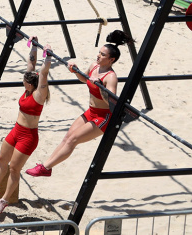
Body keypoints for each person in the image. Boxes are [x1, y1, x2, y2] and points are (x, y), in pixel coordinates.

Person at [26, 30, 133, 178]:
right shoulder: (94, 66)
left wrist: (101, 86)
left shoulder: (111, 77)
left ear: (111, 60)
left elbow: (111, 101)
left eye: (103, 55)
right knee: (67, 137)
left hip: (103, 117)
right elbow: (85, 78)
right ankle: (46, 167)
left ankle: (46, 167)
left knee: (72, 140)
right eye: (99, 52)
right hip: (91, 111)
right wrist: (74, 71)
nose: (98, 56)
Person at [0, 38, 53, 214]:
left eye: (24, 82)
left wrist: (48, 56)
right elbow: (31, 63)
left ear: (30, 84)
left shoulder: (39, 94)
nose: (22, 83)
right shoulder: (28, 88)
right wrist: (35, 46)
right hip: (16, 130)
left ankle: (4, 200)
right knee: (2, 159)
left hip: (28, 136)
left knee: (14, 168)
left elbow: (43, 73)